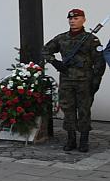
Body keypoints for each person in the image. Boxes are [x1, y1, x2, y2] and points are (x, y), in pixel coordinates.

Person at [43, 9, 106, 152]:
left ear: (84, 20)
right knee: (68, 110)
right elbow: (45, 50)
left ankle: (84, 140)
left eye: (76, 18)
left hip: (84, 81)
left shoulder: (92, 39)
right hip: (66, 81)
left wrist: (96, 81)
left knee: (84, 111)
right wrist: (55, 62)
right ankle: (71, 139)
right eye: (70, 19)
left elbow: (99, 62)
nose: (72, 21)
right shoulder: (61, 38)